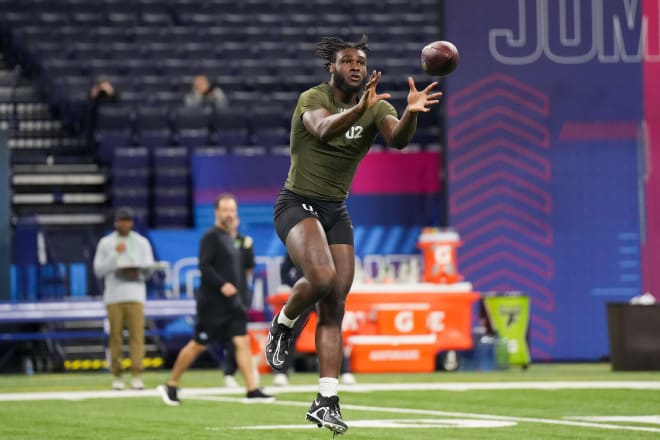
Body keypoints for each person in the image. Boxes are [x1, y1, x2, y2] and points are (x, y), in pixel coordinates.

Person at [264, 35, 442, 434]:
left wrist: (411, 112)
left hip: (334, 210)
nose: (355, 67)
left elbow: (398, 140)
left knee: (335, 305)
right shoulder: (312, 98)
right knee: (323, 278)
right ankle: (284, 323)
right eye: (347, 61)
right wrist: (360, 108)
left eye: (360, 61)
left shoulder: (377, 104)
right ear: (333, 68)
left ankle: (326, 400)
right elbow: (323, 129)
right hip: (296, 203)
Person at [158, 194, 273, 405]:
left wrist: (240, 294)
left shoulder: (235, 239)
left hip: (234, 304)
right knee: (198, 344)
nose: (229, 214)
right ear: (217, 212)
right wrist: (222, 284)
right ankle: (171, 384)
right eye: (225, 210)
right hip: (212, 304)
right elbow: (204, 266)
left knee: (242, 341)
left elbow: (245, 270)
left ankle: (252, 389)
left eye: (232, 210)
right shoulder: (210, 236)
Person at [93, 206, 155, 390]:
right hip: (114, 296)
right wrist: (115, 255)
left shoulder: (141, 242)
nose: (125, 224)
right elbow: (98, 270)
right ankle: (117, 376)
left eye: (128, 221)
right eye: (122, 221)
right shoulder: (106, 243)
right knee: (115, 337)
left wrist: (138, 273)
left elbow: (149, 267)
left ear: (132, 223)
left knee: (137, 336)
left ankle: (137, 375)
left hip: (135, 294)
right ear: (116, 223)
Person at [271, 253, 356, 387]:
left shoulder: (330, 245)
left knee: (333, 330)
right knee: (292, 332)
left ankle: (345, 371)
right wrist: (299, 286)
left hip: (326, 294)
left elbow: (341, 268)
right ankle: (281, 372)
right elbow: (285, 270)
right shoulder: (300, 242)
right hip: (305, 294)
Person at [222, 216, 257, 389]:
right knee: (229, 335)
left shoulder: (245, 242)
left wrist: (242, 288)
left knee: (238, 334)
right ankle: (230, 372)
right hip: (221, 294)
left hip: (240, 294)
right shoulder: (218, 241)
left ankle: (231, 372)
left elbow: (249, 267)